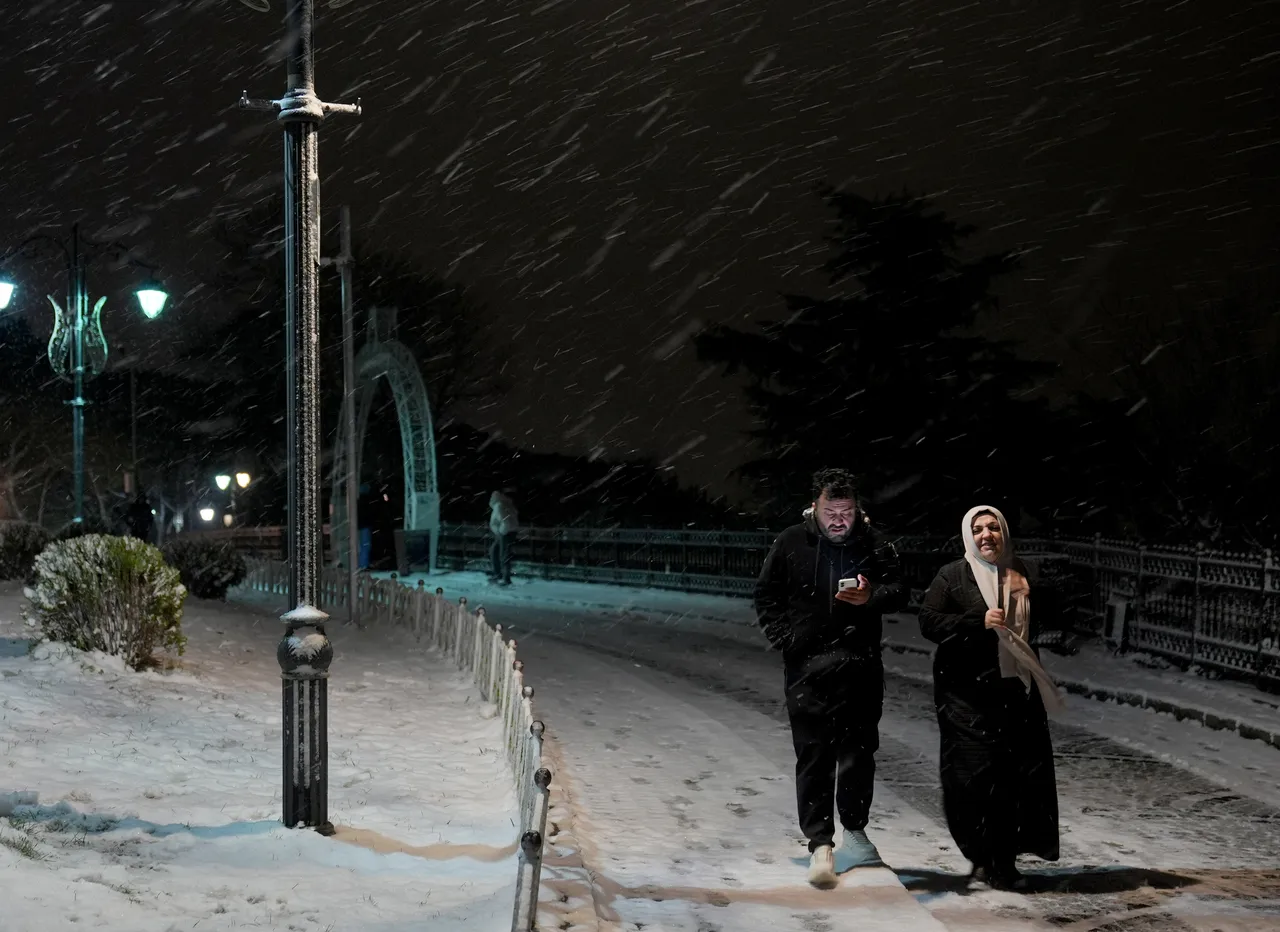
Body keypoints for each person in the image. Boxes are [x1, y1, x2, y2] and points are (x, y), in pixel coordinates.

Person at [754, 467, 906, 888]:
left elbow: (901, 589)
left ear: (857, 510)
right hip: (807, 670)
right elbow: (766, 594)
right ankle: (819, 842)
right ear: (815, 508)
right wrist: (787, 639)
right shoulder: (790, 541)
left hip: (860, 665)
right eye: (830, 511)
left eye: (847, 511)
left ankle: (855, 833)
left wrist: (871, 595)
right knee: (814, 754)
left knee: (859, 752)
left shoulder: (874, 541)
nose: (839, 520)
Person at [918, 505, 1065, 891]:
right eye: (979, 528)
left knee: (1014, 779)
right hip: (964, 696)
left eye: (994, 527)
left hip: (1016, 691)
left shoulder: (1023, 571)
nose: (987, 535)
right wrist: (975, 622)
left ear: (1004, 533)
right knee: (972, 779)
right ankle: (979, 853)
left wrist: (1035, 594)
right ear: (969, 535)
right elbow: (928, 622)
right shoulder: (953, 575)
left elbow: (1055, 616)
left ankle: (1003, 861)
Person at [488, 489, 519, 586]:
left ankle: (505, 578)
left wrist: (501, 532)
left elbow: (505, 521)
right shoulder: (507, 504)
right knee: (496, 551)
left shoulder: (499, 505)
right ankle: (499, 575)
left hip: (505, 532)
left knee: (503, 555)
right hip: (509, 531)